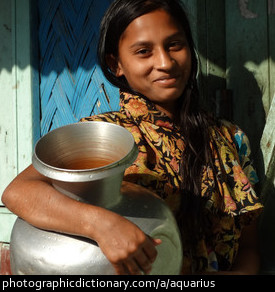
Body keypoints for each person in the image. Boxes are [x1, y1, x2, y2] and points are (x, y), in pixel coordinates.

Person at [2, 0, 263, 275]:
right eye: (143, 51)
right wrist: (101, 225)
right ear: (117, 65)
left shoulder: (229, 138)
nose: (165, 62)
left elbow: (249, 248)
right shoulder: (104, 135)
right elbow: (19, 192)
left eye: (175, 44)